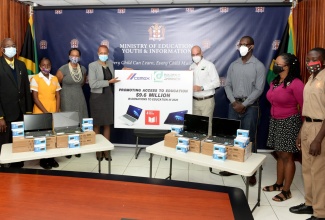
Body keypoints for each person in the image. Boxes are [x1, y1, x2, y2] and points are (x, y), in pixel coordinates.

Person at [223, 36, 266, 186]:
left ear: (252, 46)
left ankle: (251, 172)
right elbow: (227, 85)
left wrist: (245, 104)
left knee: (249, 139)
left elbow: (259, 89)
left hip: (251, 106)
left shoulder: (258, 66)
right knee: (233, 137)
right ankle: (233, 167)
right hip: (234, 105)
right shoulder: (233, 65)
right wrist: (233, 102)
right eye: (240, 44)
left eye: (245, 44)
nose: (242, 47)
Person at [262, 53, 304, 202]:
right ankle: (278, 184)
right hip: (275, 121)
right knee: (279, 154)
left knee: (287, 157)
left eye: (278, 63)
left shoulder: (296, 83)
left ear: (286, 66)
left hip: (289, 122)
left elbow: (304, 107)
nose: (275, 65)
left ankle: (287, 191)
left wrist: (301, 129)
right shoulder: (275, 81)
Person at [289, 47, 325, 220]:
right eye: (308, 60)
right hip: (307, 126)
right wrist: (300, 133)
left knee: (318, 172)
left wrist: (318, 139)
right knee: (307, 169)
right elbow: (308, 109)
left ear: (323, 60)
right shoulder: (311, 78)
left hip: (320, 130)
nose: (311, 63)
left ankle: (320, 212)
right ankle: (310, 204)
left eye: (315, 59)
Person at [0, 38, 32, 168]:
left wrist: (28, 112)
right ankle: (4, 166)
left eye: (13, 45)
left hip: (21, 111)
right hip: (5, 113)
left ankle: (18, 164)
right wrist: (0, 116)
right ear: (2, 49)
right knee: (5, 142)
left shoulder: (21, 65)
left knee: (18, 141)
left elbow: (26, 88)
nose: (11, 48)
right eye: (8, 46)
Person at [88, 45, 119, 161]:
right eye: (101, 52)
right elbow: (93, 84)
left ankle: (106, 151)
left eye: (105, 53)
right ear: (97, 53)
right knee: (97, 125)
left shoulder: (110, 64)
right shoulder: (92, 66)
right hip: (97, 97)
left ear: (108, 53)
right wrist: (108, 82)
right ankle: (98, 151)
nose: (103, 54)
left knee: (107, 124)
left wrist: (125, 71)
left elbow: (115, 78)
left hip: (108, 97)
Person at [56, 48, 88, 159]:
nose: (74, 57)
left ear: (79, 57)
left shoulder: (83, 69)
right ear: (69, 56)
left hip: (79, 97)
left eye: (77, 55)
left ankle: (76, 146)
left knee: (78, 122)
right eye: (72, 55)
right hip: (66, 98)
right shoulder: (63, 69)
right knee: (68, 123)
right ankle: (67, 148)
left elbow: (82, 82)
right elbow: (56, 84)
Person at [30, 57, 61, 169]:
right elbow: (35, 98)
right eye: (43, 65)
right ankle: (43, 160)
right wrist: (46, 112)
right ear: (39, 66)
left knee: (52, 136)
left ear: (51, 66)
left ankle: (51, 158)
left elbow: (58, 96)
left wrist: (56, 111)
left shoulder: (55, 78)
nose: (46, 67)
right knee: (42, 136)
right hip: (41, 111)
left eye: (48, 65)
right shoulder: (36, 78)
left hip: (53, 110)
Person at [189, 45, 220, 135]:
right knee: (195, 126)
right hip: (194, 101)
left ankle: (206, 147)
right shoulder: (191, 67)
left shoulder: (209, 65)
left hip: (207, 100)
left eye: (197, 54)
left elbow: (217, 82)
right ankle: (197, 147)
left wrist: (202, 87)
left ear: (202, 53)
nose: (195, 56)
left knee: (206, 126)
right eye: (193, 55)